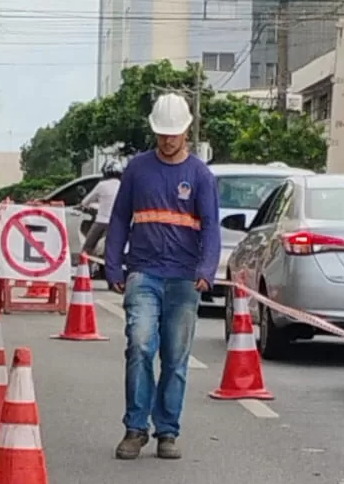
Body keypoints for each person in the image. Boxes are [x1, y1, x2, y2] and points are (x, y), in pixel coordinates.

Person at [103, 92, 220, 462]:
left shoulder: (200, 176)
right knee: (139, 346)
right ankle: (135, 428)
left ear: (186, 131)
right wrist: (112, 264)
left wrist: (207, 268)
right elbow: (120, 217)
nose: (168, 140)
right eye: (162, 133)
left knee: (175, 358)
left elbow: (212, 228)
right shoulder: (138, 169)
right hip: (144, 274)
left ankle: (167, 431)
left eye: (174, 133)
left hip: (184, 279)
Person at [79, 162, 122, 262]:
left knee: (87, 247)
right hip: (117, 223)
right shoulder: (123, 185)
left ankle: (86, 269)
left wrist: (86, 206)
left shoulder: (102, 185)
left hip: (101, 222)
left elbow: (85, 202)